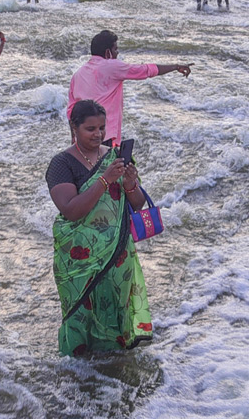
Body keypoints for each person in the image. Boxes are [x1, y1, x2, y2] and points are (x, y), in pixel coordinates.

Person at [45, 99, 153, 355]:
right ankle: (77, 377)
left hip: (117, 253)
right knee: (80, 315)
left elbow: (136, 204)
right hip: (78, 257)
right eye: (90, 129)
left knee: (115, 312)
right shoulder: (61, 164)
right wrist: (105, 181)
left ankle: (112, 373)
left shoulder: (115, 157)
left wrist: (129, 183)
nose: (98, 134)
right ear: (74, 127)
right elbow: (71, 211)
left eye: (102, 128)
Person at [67, 30, 193, 145]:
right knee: (108, 168)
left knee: (90, 169)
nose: (118, 53)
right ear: (108, 53)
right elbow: (146, 70)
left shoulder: (78, 74)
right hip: (103, 136)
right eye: (116, 49)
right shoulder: (111, 66)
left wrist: (74, 138)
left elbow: (71, 110)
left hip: (83, 138)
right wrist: (176, 67)